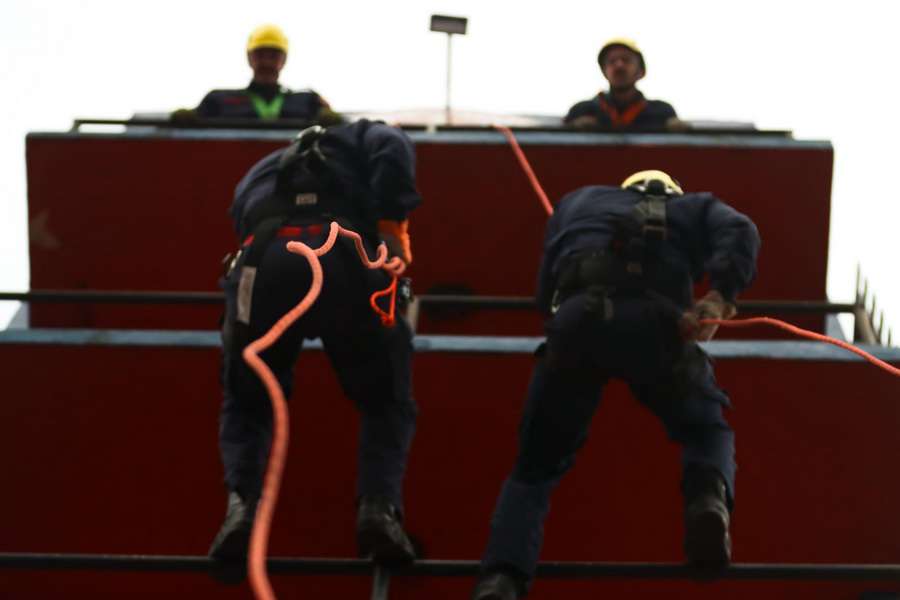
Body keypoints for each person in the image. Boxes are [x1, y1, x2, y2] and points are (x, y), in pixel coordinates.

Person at [470, 170, 761, 599]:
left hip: (576, 323)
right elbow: (741, 229)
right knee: (705, 429)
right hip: (659, 326)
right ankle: (706, 504)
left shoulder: (576, 201)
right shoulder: (689, 207)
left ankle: (501, 579)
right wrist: (720, 295)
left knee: (534, 469)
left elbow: (544, 293)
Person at [209, 119, 421, 580]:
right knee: (386, 401)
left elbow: (241, 219)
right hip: (338, 255)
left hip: (259, 265)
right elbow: (392, 146)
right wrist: (391, 228)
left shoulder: (258, 171)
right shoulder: (360, 134)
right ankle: (378, 510)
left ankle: (241, 511)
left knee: (248, 400)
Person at [178, 24, 340, 123]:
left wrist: (330, 118)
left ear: (284, 59)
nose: (267, 62)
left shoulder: (308, 101)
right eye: (260, 55)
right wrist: (185, 118)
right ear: (249, 58)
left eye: (273, 55)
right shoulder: (218, 100)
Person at [564, 38, 679, 130]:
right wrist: (573, 128)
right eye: (611, 61)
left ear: (641, 72)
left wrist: (678, 129)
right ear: (604, 72)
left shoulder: (663, 113)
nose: (619, 65)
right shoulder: (581, 111)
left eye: (626, 60)